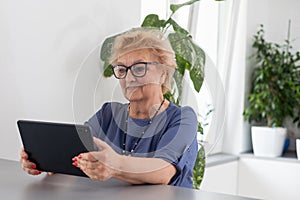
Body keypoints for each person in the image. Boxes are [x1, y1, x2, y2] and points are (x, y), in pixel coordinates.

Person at [20, 28, 198, 188]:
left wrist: (116, 165)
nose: (129, 78)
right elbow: (76, 153)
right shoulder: (109, 114)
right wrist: (47, 159)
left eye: (139, 68)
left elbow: (164, 172)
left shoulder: (182, 118)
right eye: (121, 69)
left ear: (163, 73)